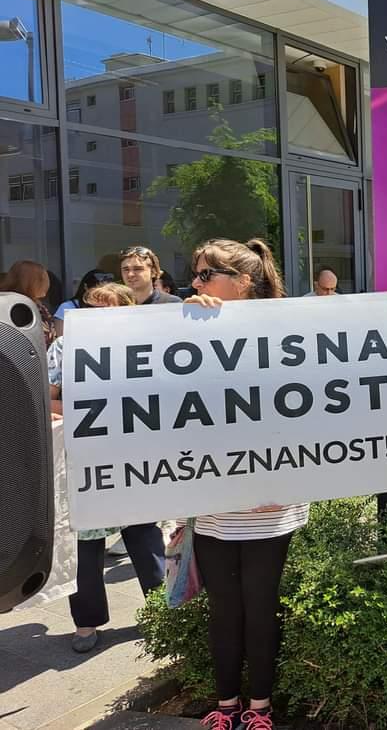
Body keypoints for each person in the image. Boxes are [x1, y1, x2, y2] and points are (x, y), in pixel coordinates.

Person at [185, 237, 307, 730]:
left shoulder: (285, 330)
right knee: (222, 610)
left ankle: (260, 708)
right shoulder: (186, 326)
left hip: (269, 505)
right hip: (215, 505)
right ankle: (225, 705)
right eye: (195, 273)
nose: (195, 283)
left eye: (205, 275)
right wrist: (184, 322)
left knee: (259, 608)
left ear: (240, 282)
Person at [47, 282, 167, 653]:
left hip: (132, 458)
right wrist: (90, 414)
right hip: (83, 459)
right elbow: (47, 398)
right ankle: (86, 623)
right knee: (84, 544)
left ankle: (165, 614)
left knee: (144, 536)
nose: (96, 315)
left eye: (107, 308)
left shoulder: (144, 348)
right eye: (91, 308)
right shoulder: (64, 348)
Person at [0, 259, 55, 345]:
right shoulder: (17, 306)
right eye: (41, 280)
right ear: (29, 282)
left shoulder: (37, 304)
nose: (46, 284)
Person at [54, 270, 114, 337]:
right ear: (86, 286)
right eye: (97, 292)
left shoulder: (113, 306)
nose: (101, 296)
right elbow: (61, 337)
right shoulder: (67, 307)